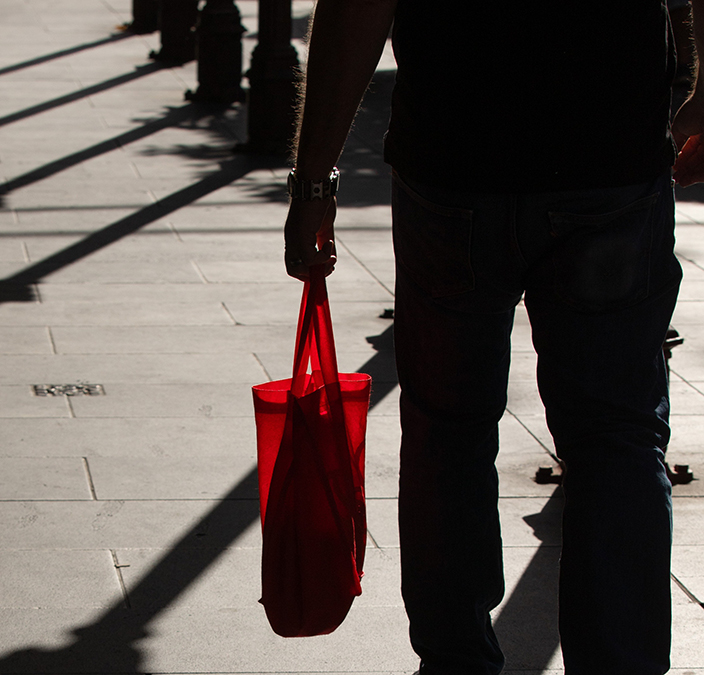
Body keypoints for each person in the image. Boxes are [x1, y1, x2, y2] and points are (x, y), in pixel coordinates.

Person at [283, 1, 701, 673]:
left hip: (454, 161)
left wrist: (312, 180)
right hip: (609, 156)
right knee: (616, 438)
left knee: (447, 429)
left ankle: (455, 660)